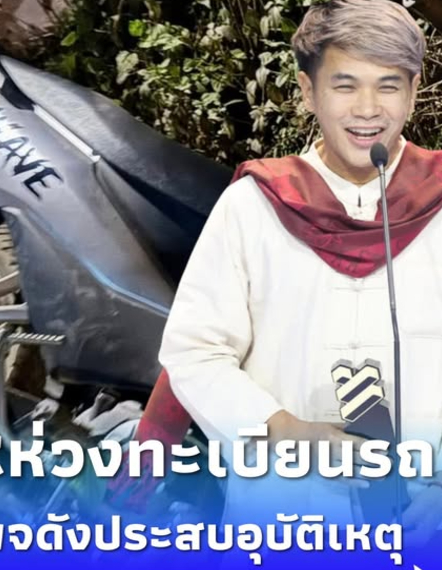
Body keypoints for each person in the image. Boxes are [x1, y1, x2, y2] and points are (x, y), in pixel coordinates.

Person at [158, 0, 442, 549]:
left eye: (388, 86)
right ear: (309, 91)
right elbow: (194, 351)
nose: (367, 109)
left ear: (413, 91)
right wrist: (284, 431)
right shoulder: (254, 207)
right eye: (344, 85)